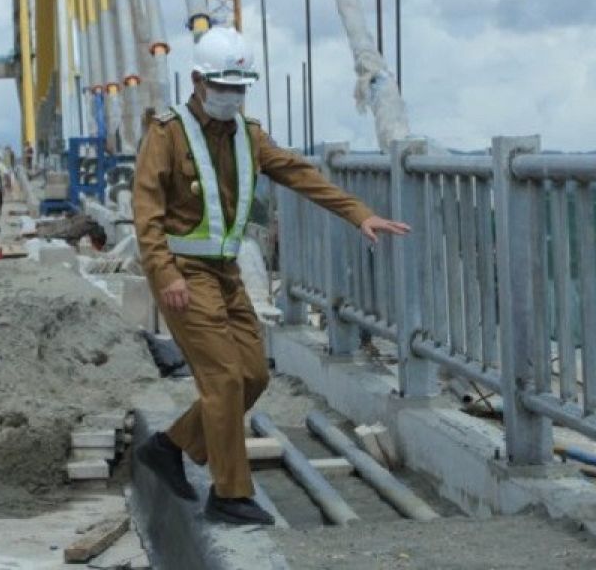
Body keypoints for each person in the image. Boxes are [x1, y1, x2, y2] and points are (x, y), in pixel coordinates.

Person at [132, 26, 411, 526]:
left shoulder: (248, 134)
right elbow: (146, 212)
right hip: (183, 275)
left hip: (225, 272)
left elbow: (297, 172)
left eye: (239, 87)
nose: (230, 96)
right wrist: (165, 273)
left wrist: (357, 213)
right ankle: (230, 494)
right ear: (197, 80)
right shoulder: (167, 133)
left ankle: (168, 447)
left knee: (254, 376)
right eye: (222, 86)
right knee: (223, 378)